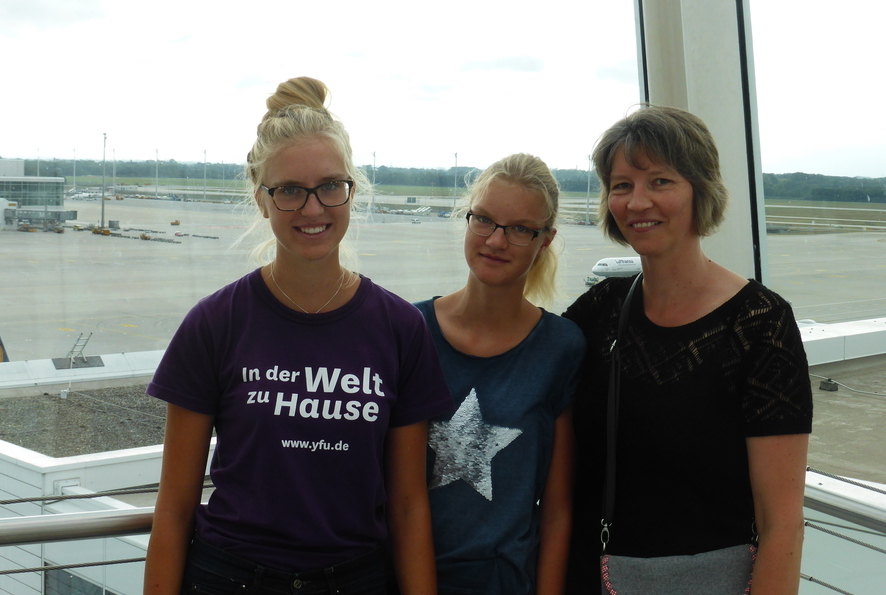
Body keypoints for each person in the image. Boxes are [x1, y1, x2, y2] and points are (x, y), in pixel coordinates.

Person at [144, 76, 452, 595]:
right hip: (231, 577)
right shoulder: (215, 324)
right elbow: (174, 508)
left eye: (331, 186)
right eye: (290, 190)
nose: (313, 209)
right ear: (261, 199)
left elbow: (407, 504)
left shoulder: (401, 329)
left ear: (351, 190)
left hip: (355, 579)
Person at [564, 105, 813, 594]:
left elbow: (782, 521)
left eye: (660, 181)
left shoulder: (759, 323)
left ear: (700, 190)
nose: (638, 202)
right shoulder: (600, 310)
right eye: (621, 185)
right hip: (595, 576)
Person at [414, 153, 585, 595]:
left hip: (506, 582)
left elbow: (557, 510)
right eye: (484, 220)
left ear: (545, 240)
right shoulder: (411, 332)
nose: (495, 240)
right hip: (408, 577)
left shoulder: (561, 347)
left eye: (519, 229)